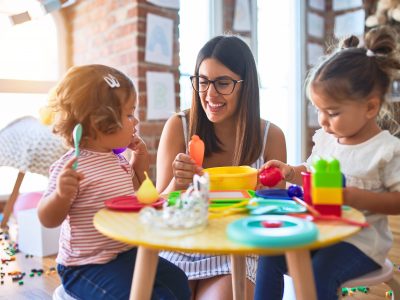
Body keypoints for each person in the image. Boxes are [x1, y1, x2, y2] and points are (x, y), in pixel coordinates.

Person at [255, 26, 400, 300]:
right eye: (319, 110)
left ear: (370, 107)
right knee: (271, 252)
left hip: (361, 242)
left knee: (316, 274)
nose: (322, 120)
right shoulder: (326, 139)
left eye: (332, 112)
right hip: (319, 231)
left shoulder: (385, 150)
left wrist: (354, 197)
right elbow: (309, 173)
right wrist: (290, 171)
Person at [37, 64, 191, 300]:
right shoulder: (71, 166)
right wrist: (60, 196)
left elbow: (140, 199)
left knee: (178, 283)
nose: (136, 121)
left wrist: (139, 167)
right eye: (129, 114)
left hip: (126, 253)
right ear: (100, 123)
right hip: (86, 266)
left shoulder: (117, 161)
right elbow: (47, 219)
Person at [156, 35, 287, 300]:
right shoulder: (179, 127)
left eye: (223, 83)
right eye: (203, 82)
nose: (210, 94)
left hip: (239, 250)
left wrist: (264, 199)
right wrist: (176, 185)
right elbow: (157, 208)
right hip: (179, 246)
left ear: (246, 85)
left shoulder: (270, 136)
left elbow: (275, 219)